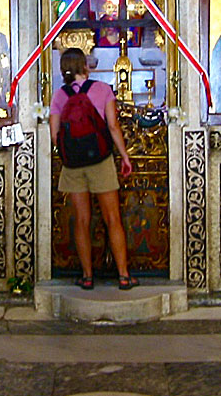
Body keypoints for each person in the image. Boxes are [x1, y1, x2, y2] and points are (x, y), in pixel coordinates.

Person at [48, 48, 138, 291]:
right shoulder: (102, 90)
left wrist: (72, 152)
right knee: (112, 218)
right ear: (85, 66)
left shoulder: (58, 96)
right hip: (100, 160)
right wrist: (124, 156)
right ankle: (123, 275)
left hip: (74, 165)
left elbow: (55, 136)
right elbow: (113, 126)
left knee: (81, 221)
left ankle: (87, 276)